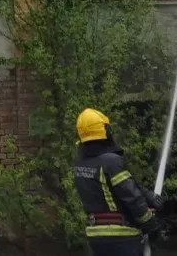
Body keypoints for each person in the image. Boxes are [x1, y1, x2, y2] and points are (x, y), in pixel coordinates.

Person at [73, 108, 166, 256]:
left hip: (95, 237)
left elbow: (121, 185)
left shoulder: (80, 164)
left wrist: (148, 196)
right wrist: (150, 224)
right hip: (122, 237)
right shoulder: (111, 161)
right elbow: (131, 195)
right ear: (105, 130)